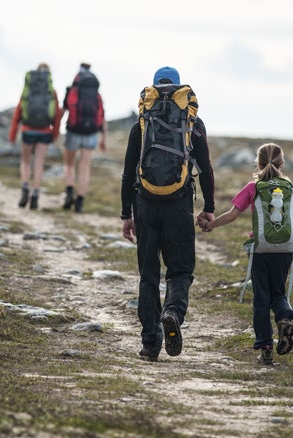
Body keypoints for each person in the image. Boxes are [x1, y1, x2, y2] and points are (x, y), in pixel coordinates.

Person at [121, 66, 215, 362]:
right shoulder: (192, 122)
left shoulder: (142, 123)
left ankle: (150, 344)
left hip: (145, 204)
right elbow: (206, 170)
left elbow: (127, 174)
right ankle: (173, 312)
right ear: (177, 90)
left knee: (148, 275)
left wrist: (126, 214)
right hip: (179, 204)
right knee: (181, 270)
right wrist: (209, 208)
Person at [197, 143, 293, 364]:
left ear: (258, 164)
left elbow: (231, 215)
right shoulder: (292, 188)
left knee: (261, 297)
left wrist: (209, 226)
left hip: (260, 250)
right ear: (283, 163)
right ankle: (284, 318)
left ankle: (266, 347)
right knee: (278, 293)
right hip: (286, 250)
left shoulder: (253, 187)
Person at [9, 63, 62, 210]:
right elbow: (57, 115)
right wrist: (55, 133)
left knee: (25, 162)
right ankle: (36, 195)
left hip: (28, 130)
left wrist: (13, 134)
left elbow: (18, 111)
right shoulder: (52, 91)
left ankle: (25, 187)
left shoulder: (29, 88)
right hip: (44, 131)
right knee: (39, 164)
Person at [61, 62, 107, 213]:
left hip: (73, 130)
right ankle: (79, 202)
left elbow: (64, 109)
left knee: (69, 165)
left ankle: (69, 193)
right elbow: (102, 115)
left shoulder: (72, 90)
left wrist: (55, 127)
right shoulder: (96, 94)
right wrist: (104, 138)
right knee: (84, 167)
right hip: (91, 133)